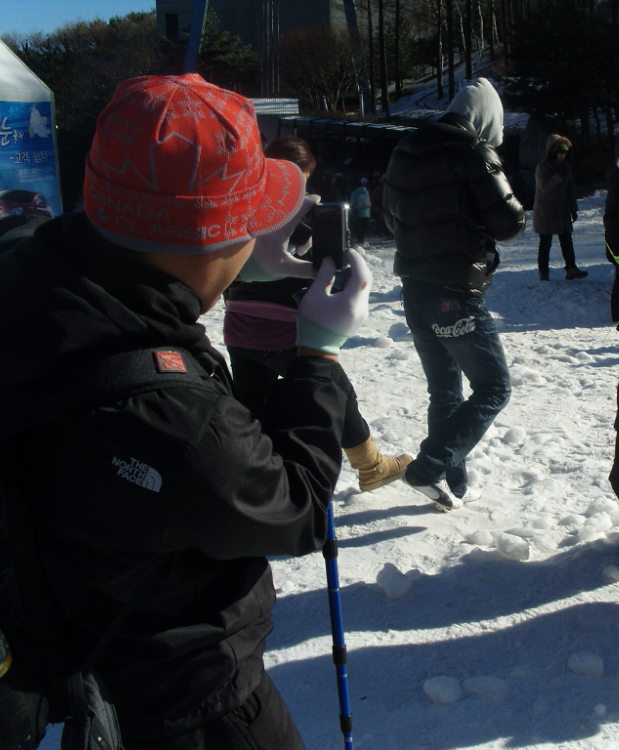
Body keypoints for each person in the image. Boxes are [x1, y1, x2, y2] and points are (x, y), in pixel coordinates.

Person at [0, 73, 372, 749]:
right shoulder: (181, 422)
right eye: (248, 225)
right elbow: (293, 507)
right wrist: (320, 357)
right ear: (214, 242)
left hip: (57, 642)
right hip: (188, 700)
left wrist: (224, 265)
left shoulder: (19, 266)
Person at [224, 137, 411, 492]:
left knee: (250, 405)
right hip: (288, 332)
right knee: (335, 392)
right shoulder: (307, 217)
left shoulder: (240, 209)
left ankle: (248, 475)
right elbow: (328, 268)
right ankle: (371, 466)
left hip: (238, 329)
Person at [382, 77, 525, 510]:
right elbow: (510, 224)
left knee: (445, 393)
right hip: (455, 293)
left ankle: (451, 485)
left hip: (415, 289)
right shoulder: (474, 152)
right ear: (485, 119)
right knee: (493, 387)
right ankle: (429, 467)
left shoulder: (406, 147)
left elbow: (391, 216)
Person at [532, 134, 586, 281]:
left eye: (565, 153)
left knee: (567, 241)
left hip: (562, 210)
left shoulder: (565, 167)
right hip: (546, 211)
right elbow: (545, 187)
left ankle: (571, 269)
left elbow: (570, 190)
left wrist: (573, 208)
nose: (562, 156)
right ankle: (543, 272)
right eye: (560, 152)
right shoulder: (542, 167)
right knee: (545, 243)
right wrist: (559, 175)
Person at [349, 177, 372, 245]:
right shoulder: (367, 191)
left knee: (359, 226)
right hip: (367, 212)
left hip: (358, 212)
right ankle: (362, 238)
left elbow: (352, 202)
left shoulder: (355, 192)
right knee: (364, 226)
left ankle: (360, 239)